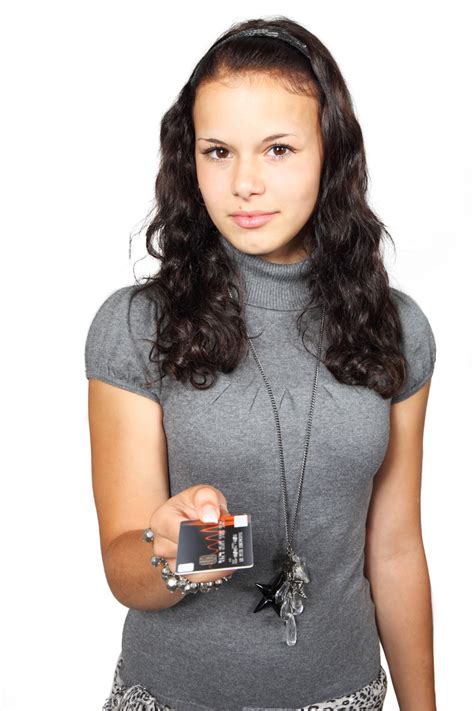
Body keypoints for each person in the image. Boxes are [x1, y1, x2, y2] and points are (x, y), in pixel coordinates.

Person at [85, 16, 437, 711]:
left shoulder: (396, 328)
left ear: (330, 153)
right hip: (172, 696)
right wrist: (182, 544)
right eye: (218, 151)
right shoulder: (137, 324)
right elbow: (126, 568)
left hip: (343, 696)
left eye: (278, 148)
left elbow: (395, 549)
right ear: (191, 160)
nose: (245, 181)